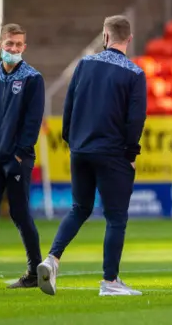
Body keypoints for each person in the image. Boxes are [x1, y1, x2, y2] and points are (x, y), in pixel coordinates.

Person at [36, 15, 147, 296]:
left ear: (105, 36)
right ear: (129, 40)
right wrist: (131, 152)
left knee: (79, 209)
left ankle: (52, 259)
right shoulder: (134, 73)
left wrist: (71, 140)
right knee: (116, 217)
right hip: (112, 153)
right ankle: (110, 282)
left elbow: (69, 104)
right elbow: (135, 119)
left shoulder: (84, 65)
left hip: (81, 149)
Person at [0, 23, 44, 290]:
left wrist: (19, 155)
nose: (13, 49)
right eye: (9, 44)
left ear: (24, 47)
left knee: (20, 213)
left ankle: (34, 271)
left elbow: (33, 121)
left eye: (18, 45)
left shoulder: (32, 78)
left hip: (16, 160)